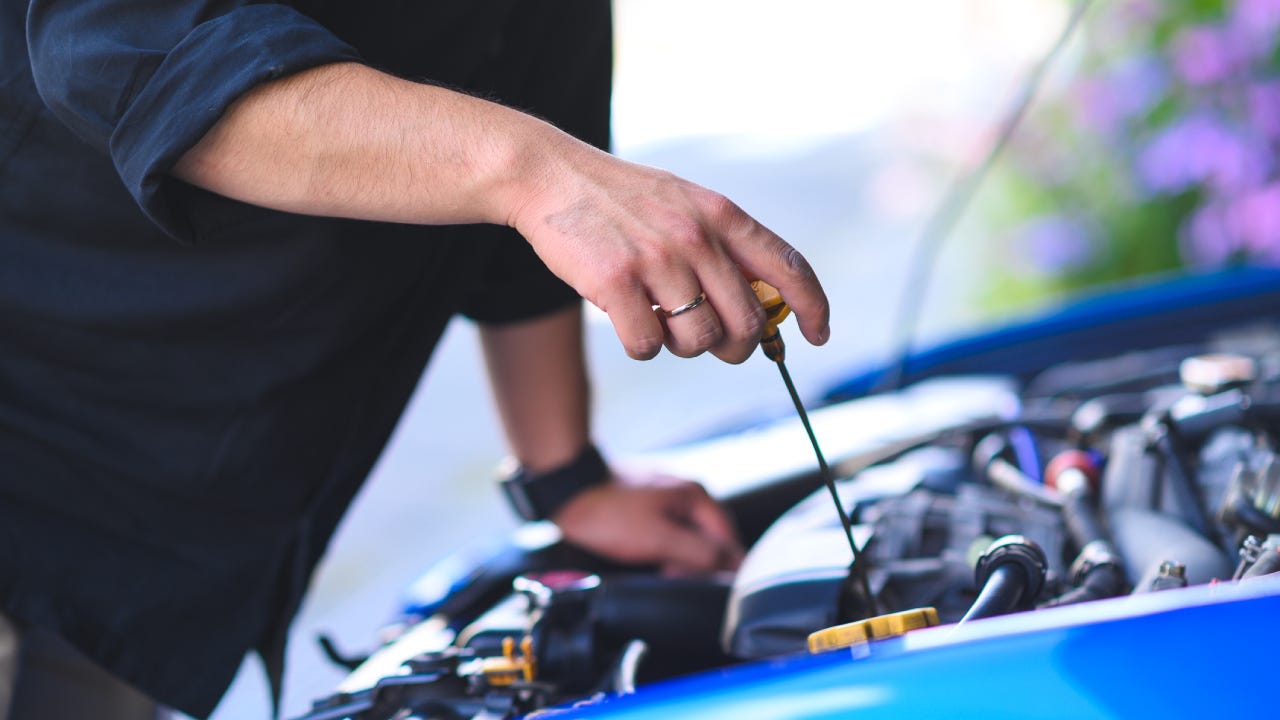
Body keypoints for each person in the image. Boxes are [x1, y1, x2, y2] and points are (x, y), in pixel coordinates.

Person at [0, 1, 830, 718]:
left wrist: (568, 476)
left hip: (150, 541)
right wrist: (539, 176)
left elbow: (538, 95)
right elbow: (128, 47)